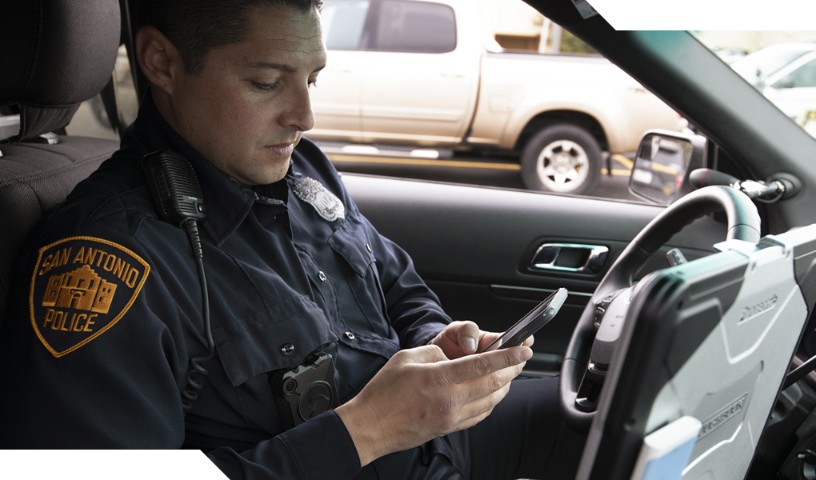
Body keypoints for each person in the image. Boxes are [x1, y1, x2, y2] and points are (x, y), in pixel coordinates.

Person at [0, 0, 584, 478]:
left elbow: (394, 280)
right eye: (265, 82)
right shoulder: (104, 263)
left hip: (437, 446)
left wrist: (435, 339)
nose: (305, 115)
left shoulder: (299, 169)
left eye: (311, 79)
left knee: (606, 407)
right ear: (161, 62)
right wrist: (366, 430)